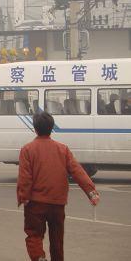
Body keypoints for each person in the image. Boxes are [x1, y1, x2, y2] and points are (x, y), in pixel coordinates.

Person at [17, 111, 100, 261]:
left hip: (36, 203)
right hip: (57, 203)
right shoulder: (63, 149)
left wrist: (23, 197)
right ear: (51, 127)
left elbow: (25, 178)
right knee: (57, 240)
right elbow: (77, 171)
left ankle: (39, 257)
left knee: (34, 235)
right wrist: (91, 192)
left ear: (35, 128)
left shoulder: (27, 149)